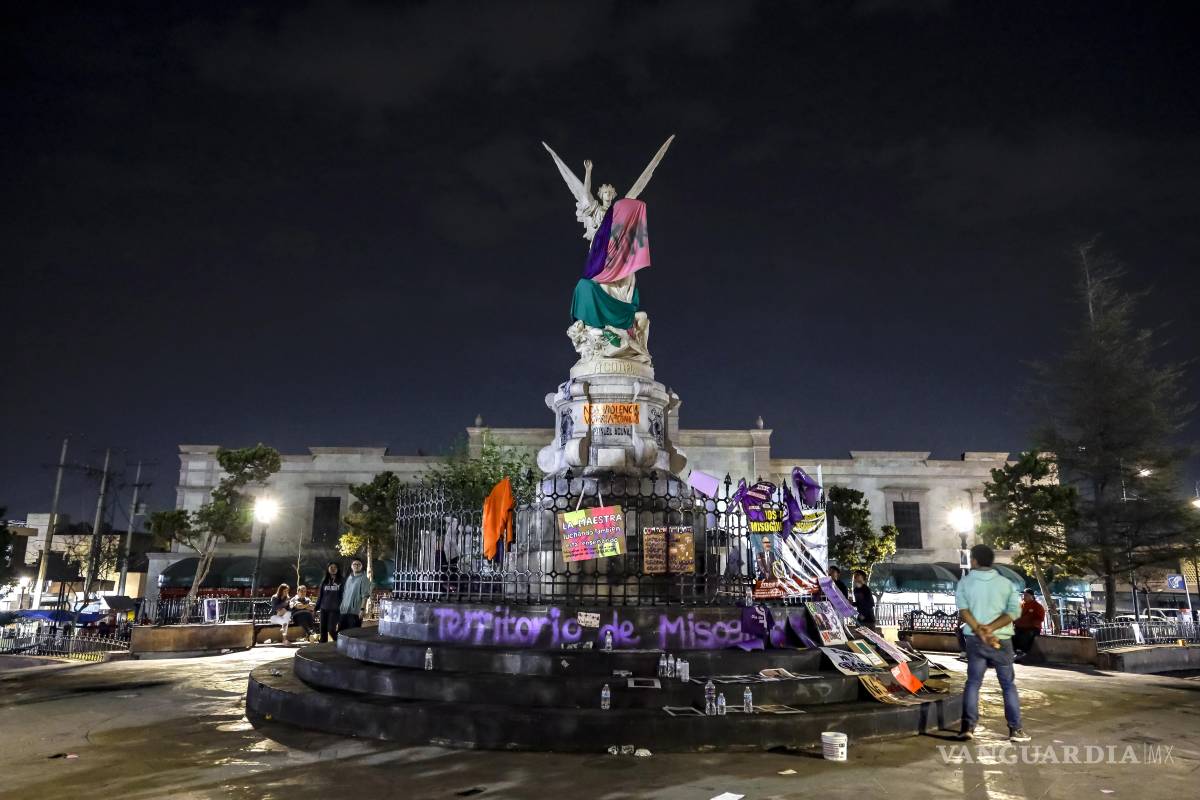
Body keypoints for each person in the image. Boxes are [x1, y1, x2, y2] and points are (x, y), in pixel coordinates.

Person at [956, 544, 1028, 742]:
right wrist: (992, 628)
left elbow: (964, 611)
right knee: (1007, 685)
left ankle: (967, 727)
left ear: (975, 560)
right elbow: (1014, 612)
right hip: (1001, 641)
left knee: (973, 683)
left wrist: (980, 629)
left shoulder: (965, 583)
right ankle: (1015, 730)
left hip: (975, 640)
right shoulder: (1006, 583)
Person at [339, 558, 372, 633]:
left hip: (355, 612)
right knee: (342, 633)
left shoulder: (364, 579)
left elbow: (365, 596)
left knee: (353, 633)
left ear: (361, 566)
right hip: (344, 611)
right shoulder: (349, 578)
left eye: (358, 564)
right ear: (351, 566)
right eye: (354, 564)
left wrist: (362, 610)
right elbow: (344, 594)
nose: (356, 566)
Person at [1013, 589, 1046, 656]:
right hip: (1019, 627)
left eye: (1026, 595)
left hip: (1032, 628)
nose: (1024, 597)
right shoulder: (1020, 605)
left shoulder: (1038, 606)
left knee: (1026, 635)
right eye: (1023, 595)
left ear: (1032, 596)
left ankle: (1023, 652)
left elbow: (1040, 618)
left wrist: (1029, 621)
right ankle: (1014, 651)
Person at [317, 562, 343, 643]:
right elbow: (320, 595)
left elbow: (343, 596)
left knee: (331, 629)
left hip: (335, 609)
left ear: (338, 569)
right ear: (328, 569)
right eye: (331, 567)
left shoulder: (342, 581)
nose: (333, 569)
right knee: (323, 630)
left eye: (335, 567)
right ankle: (322, 646)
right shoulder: (324, 581)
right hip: (324, 608)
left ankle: (340, 643)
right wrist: (316, 608)